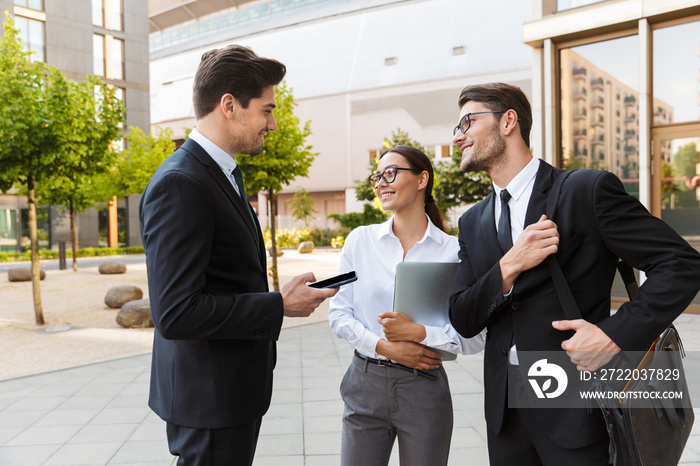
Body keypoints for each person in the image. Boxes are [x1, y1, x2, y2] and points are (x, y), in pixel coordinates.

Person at [448, 82, 700, 465]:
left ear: (508, 122)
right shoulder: (472, 222)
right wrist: (509, 264)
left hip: (576, 406)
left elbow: (681, 265)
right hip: (505, 414)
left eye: (468, 121)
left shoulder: (585, 190)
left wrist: (613, 335)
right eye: (457, 127)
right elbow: (463, 317)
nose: (458, 136)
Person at [138, 45, 337, 465]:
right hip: (209, 400)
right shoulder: (182, 183)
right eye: (266, 110)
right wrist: (277, 306)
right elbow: (176, 313)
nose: (273, 123)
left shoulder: (219, 171)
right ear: (229, 105)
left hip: (225, 394)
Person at [328, 145, 485, 466]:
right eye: (377, 177)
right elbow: (339, 313)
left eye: (391, 173)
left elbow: (475, 337)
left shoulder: (454, 252)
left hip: (424, 390)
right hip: (364, 384)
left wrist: (420, 333)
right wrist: (386, 347)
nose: (381, 183)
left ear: (421, 179)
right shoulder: (360, 241)